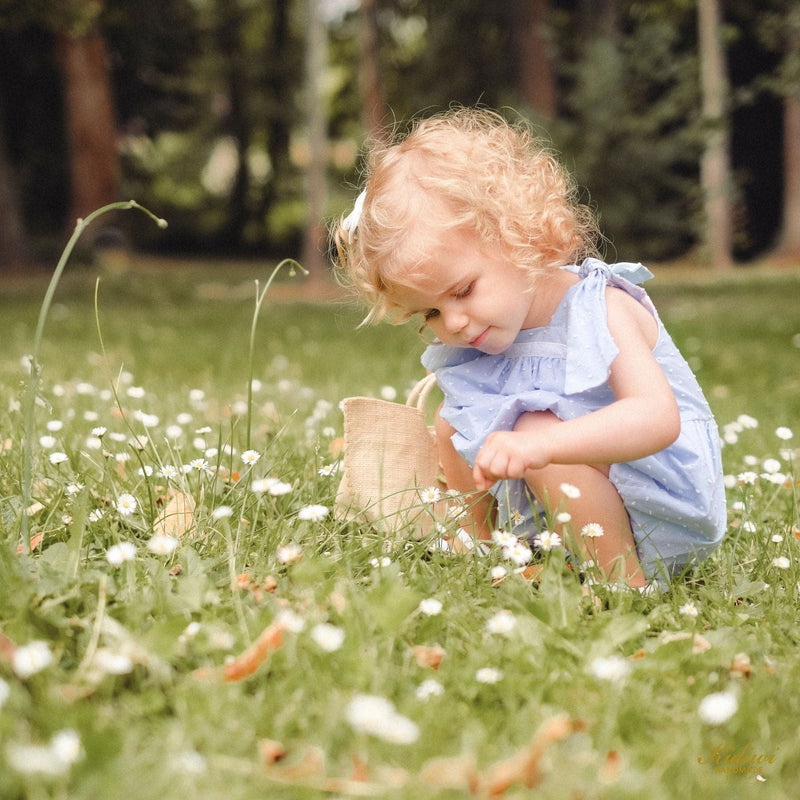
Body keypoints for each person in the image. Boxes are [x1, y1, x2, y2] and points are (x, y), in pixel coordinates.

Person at [333, 107, 726, 588]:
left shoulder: (600, 308)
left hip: (661, 501)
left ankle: (625, 582)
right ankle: (480, 539)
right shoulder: (495, 329)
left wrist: (543, 443)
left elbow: (657, 419)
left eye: (461, 291)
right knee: (455, 415)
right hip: (581, 492)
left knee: (533, 426)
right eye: (430, 313)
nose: (453, 322)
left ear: (521, 239)